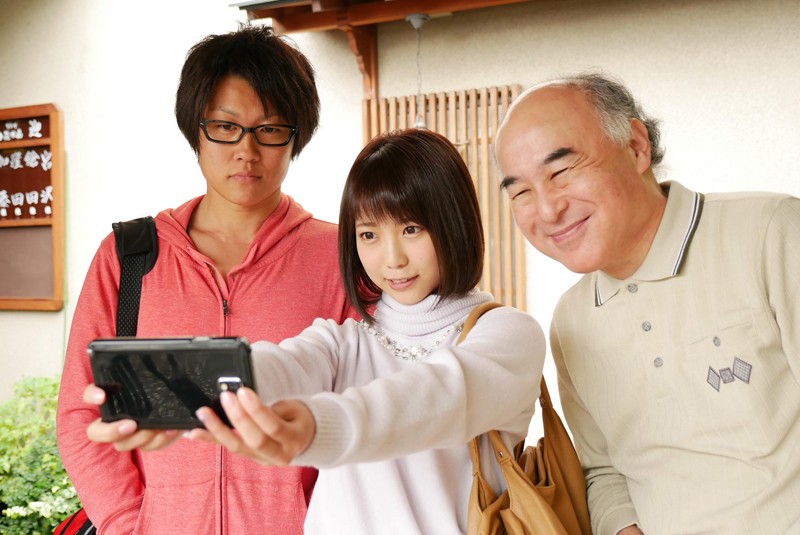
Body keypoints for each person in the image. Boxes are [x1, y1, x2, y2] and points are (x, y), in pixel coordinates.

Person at [56, 25, 355, 535]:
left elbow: (364, 408)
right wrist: (128, 524)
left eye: (270, 129)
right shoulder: (130, 257)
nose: (247, 150)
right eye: (226, 126)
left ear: (295, 138)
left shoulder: (341, 256)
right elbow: (79, 413)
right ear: (195, 130)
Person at [177, 129, 547, 533]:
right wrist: (178, 389)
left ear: (454, 223)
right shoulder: (342, 343)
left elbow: (435, 398)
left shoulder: (508, 336)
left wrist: (319, 426)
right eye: (369, 234)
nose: (393, 259)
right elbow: (275, 366)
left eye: (411, 229)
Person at [494, 72, 800, 535]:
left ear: (636, 147)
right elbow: (604, 471)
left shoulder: (770, 231)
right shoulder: (571, 320)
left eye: (561, 172)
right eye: (521, 192)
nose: (548, 209)